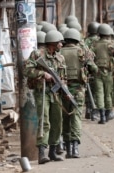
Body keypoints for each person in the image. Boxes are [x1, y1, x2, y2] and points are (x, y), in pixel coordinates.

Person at [23, 30, 65, 164]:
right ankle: (42, 152)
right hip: (42, 92)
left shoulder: (60, 58)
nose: (61, 45)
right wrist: (42, 74)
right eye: (59, 42)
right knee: (44, 121)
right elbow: (27, 70)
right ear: (52, 42)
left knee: (57, 122)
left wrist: (65, 88)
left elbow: (63, 77)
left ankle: (53, 151)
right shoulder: (37, 54)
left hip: (56, 93)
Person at [60, 28, 98, 158]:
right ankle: (75, 148)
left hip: (62, 89)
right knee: (76, 117)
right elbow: (94, 68)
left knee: (65, 117)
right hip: (78, 90)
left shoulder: (59, 52)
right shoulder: (82, 51)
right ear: (77, 39)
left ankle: (66, 146)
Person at [91, 23, 114, 124]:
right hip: (108, 72)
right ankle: (108, 112)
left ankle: (102, 117)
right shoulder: (111, 45)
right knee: (108, 93)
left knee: (99, 93)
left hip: (97, 72)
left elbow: (89, 57)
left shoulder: (94, 44)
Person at [84, 21, 100, 121]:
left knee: (87, 90)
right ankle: (94, 112)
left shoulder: (85, 41)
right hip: (97, 69)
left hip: (87, 69)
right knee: (96, 91)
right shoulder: (99, 41)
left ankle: (88, 110)